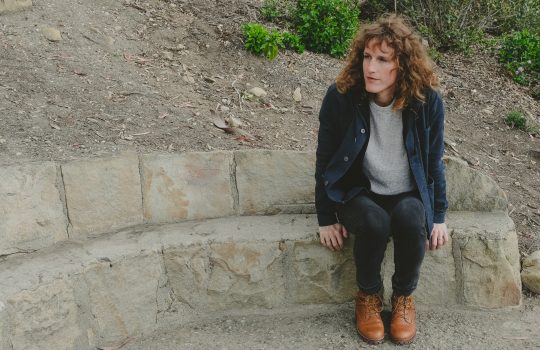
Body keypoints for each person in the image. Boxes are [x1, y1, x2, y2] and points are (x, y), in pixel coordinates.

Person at [315, 14, 449, 345]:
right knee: (374, 221)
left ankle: (403, 298)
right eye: (367, 57)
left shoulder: (426, 102)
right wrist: (325, 218)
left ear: (402, 65)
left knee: (411, 216)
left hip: (406, 193)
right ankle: (369, 297)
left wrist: (440, 216)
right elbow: (325, 158)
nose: (370, 67)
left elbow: (433, 163)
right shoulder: (341, 96)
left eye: (383, 59)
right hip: (359, 192)